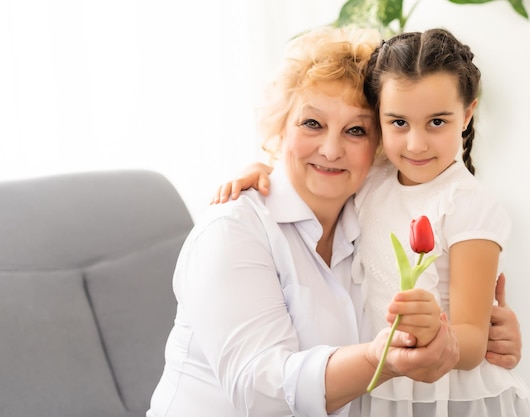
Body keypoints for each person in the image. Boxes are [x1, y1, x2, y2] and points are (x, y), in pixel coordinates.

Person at [211, 29, 530, 416]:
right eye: (399, 122)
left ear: (466, 115)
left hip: (443, 395)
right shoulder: (377, 177)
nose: (416, 144)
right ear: (382, 120)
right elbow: (315, 167)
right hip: (380, 385)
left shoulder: (467, 204)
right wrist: (264, 169)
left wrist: (442, 337)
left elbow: (472, 340)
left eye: (437, 122)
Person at [147, 26, 461, 417]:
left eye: (356, 130)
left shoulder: (373, 225)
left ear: (378, 145)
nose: (331, 149)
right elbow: (262, 393)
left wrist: (480, 333)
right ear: (280, 126)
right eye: (312, 123)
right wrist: (382, 360)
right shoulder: (232, 231)